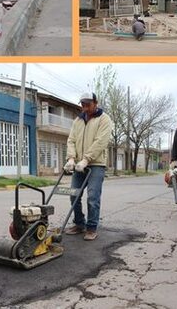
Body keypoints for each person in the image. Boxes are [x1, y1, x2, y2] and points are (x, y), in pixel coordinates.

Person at [64, 92, 114, 241]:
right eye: (83, 105)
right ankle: (79, 224)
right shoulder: (77, 121)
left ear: (95, 103)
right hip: (78, 164)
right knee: (74, 195)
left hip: (96, 164)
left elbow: (101, 142)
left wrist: (86, 159)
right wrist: (71, 158)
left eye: (88, 104)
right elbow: (71, 140)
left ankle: (91, 228)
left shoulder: (104, 119)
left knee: (92, 197)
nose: (85, 108)